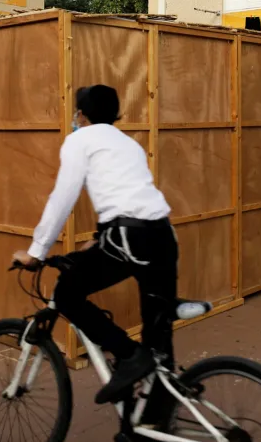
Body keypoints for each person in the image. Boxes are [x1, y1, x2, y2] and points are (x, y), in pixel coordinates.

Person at [12, 84, 176, 409]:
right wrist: (101, 237)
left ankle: (128, 356)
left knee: (67, 294)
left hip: (130, 239)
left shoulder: (80, 140)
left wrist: (36, 252)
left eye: (77, 114)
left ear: (81, 115)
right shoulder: (129, 144)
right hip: (162, 236)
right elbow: (130, 195)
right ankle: (155, 418)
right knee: (157, 336)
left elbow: (63, 197)